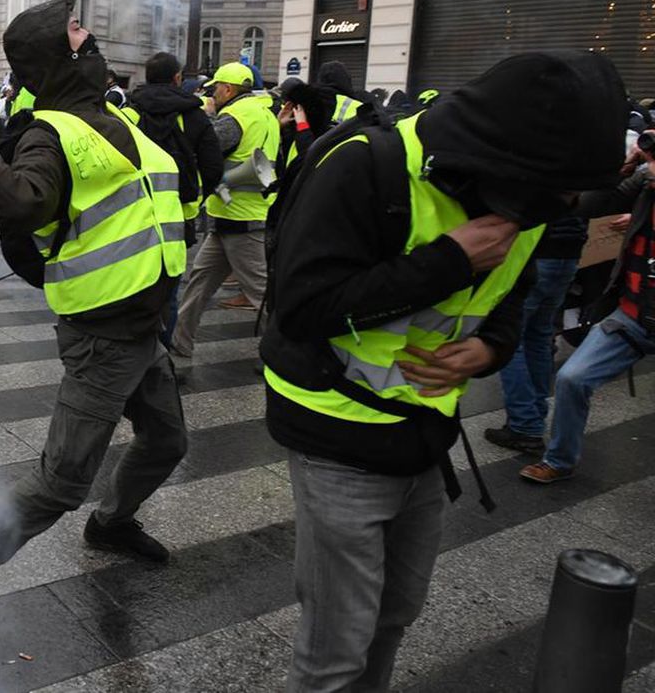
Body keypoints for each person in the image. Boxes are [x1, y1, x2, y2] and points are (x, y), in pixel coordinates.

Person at [261, 51, 626, 691]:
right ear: (505, 159)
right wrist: (450, 261)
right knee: (336, 652)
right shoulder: (365, 167)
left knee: (396, 616)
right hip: (336, 435)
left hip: (426, 436)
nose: (563, 206)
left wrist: (492, 351)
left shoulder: (533, 199)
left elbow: (512, 298)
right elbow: (300, 307)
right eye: (557, 190)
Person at [0, 0, 188, 668]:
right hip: (104, 336)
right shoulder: (51, 130)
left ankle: (111, 525)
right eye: (80, 38)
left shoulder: (115, 118)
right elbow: (21, 199)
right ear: (55, 56)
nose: (93, 43)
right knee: (56, 485)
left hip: (142, 330)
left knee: (168, 438)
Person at [519, 131, 654, 483]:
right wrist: (626, 170)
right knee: (572, 378)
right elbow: (591, 205)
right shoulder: (646, 185)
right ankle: (560, 459)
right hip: (635, 313)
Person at [169, 62, 279, 356]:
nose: (213, 94)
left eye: (216, 88)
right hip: (238, 214)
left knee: (261, 293)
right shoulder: (265, 115)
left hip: (239, 217)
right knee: (198, 285)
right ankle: (179, 344)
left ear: (228, 89)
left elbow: (207, 150)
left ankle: (289, 350)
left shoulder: (234, 117)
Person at [123, 52, 224, 347]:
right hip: (178, 216)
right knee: (168, 288)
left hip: (133, 211)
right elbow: (213, 167)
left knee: (133, 279)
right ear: (177, 78)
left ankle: (132, 346)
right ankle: (162, 354)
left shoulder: (129, 110)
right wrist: (198, 193)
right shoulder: (194, 115)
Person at [484, 215, 587, 452]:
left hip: (536, 251)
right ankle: (535, 414)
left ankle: (524, 424)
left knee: (511, 340)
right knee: (539, 337)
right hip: (568, 254)